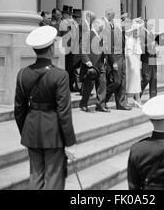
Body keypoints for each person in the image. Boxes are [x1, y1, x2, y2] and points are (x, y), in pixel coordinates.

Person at [14, 26, 76, 190]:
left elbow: (19, 109)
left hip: (31, 128)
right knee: (53, 179)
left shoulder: (22, 74)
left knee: (35, 176)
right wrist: (69, 141)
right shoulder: (60, 75)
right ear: (50, 48)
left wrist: (25, 131)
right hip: (53, 131)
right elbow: (64, 112)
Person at [103, 9, 131, 111]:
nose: (129, 25)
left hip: (122, 57)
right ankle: (103, 100)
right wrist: (113, 61)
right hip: (115, 58)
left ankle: (121, 103)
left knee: (122, 82)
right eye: (127, 22)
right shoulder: (113, 30)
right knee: (117, 82)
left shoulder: (121, 31)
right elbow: (109, 47)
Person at [79, 19, 109, 113]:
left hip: (100, 63)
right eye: (102, 26)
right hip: (91, 64)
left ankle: (100, 105)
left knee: (102, 83)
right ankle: (83, 104)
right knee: (89, 85)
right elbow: (82, 48)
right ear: (97, 26)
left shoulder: (100, 36)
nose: (103, 28)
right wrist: (86, 61)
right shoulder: (88, 34)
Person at [125, 20, 143, 107]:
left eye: (138, 31)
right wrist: (132, 64)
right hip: (131, 63)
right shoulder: (130, 40)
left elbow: (138, 54)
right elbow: (129, 53)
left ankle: (137, 99)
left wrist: (138, 64)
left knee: (136, 81)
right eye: (135, 31)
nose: (137, 32)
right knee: (130, 81)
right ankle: (126, 99)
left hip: (136, 62)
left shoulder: (137, 41)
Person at [140, 20, 158, 99]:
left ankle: (153, 97)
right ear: (146, 25)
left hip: (153, 57)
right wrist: (150, 44)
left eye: (152, 25)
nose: (152, 26)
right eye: (150, 25)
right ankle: (137, 95)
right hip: (146, 58)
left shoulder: (152, 34)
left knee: (154, 78)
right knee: (146, 78)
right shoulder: (142, 34)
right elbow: (141, 46)